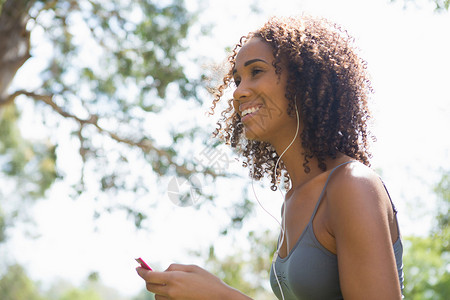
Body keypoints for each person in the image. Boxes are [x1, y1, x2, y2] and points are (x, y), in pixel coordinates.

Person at [137, 15, 404, 300]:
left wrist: (223, 297)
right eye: (237, 79)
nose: (239, 92)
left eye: (256, 72)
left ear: (304, 81)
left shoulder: (352, 185)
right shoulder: (292, 201)